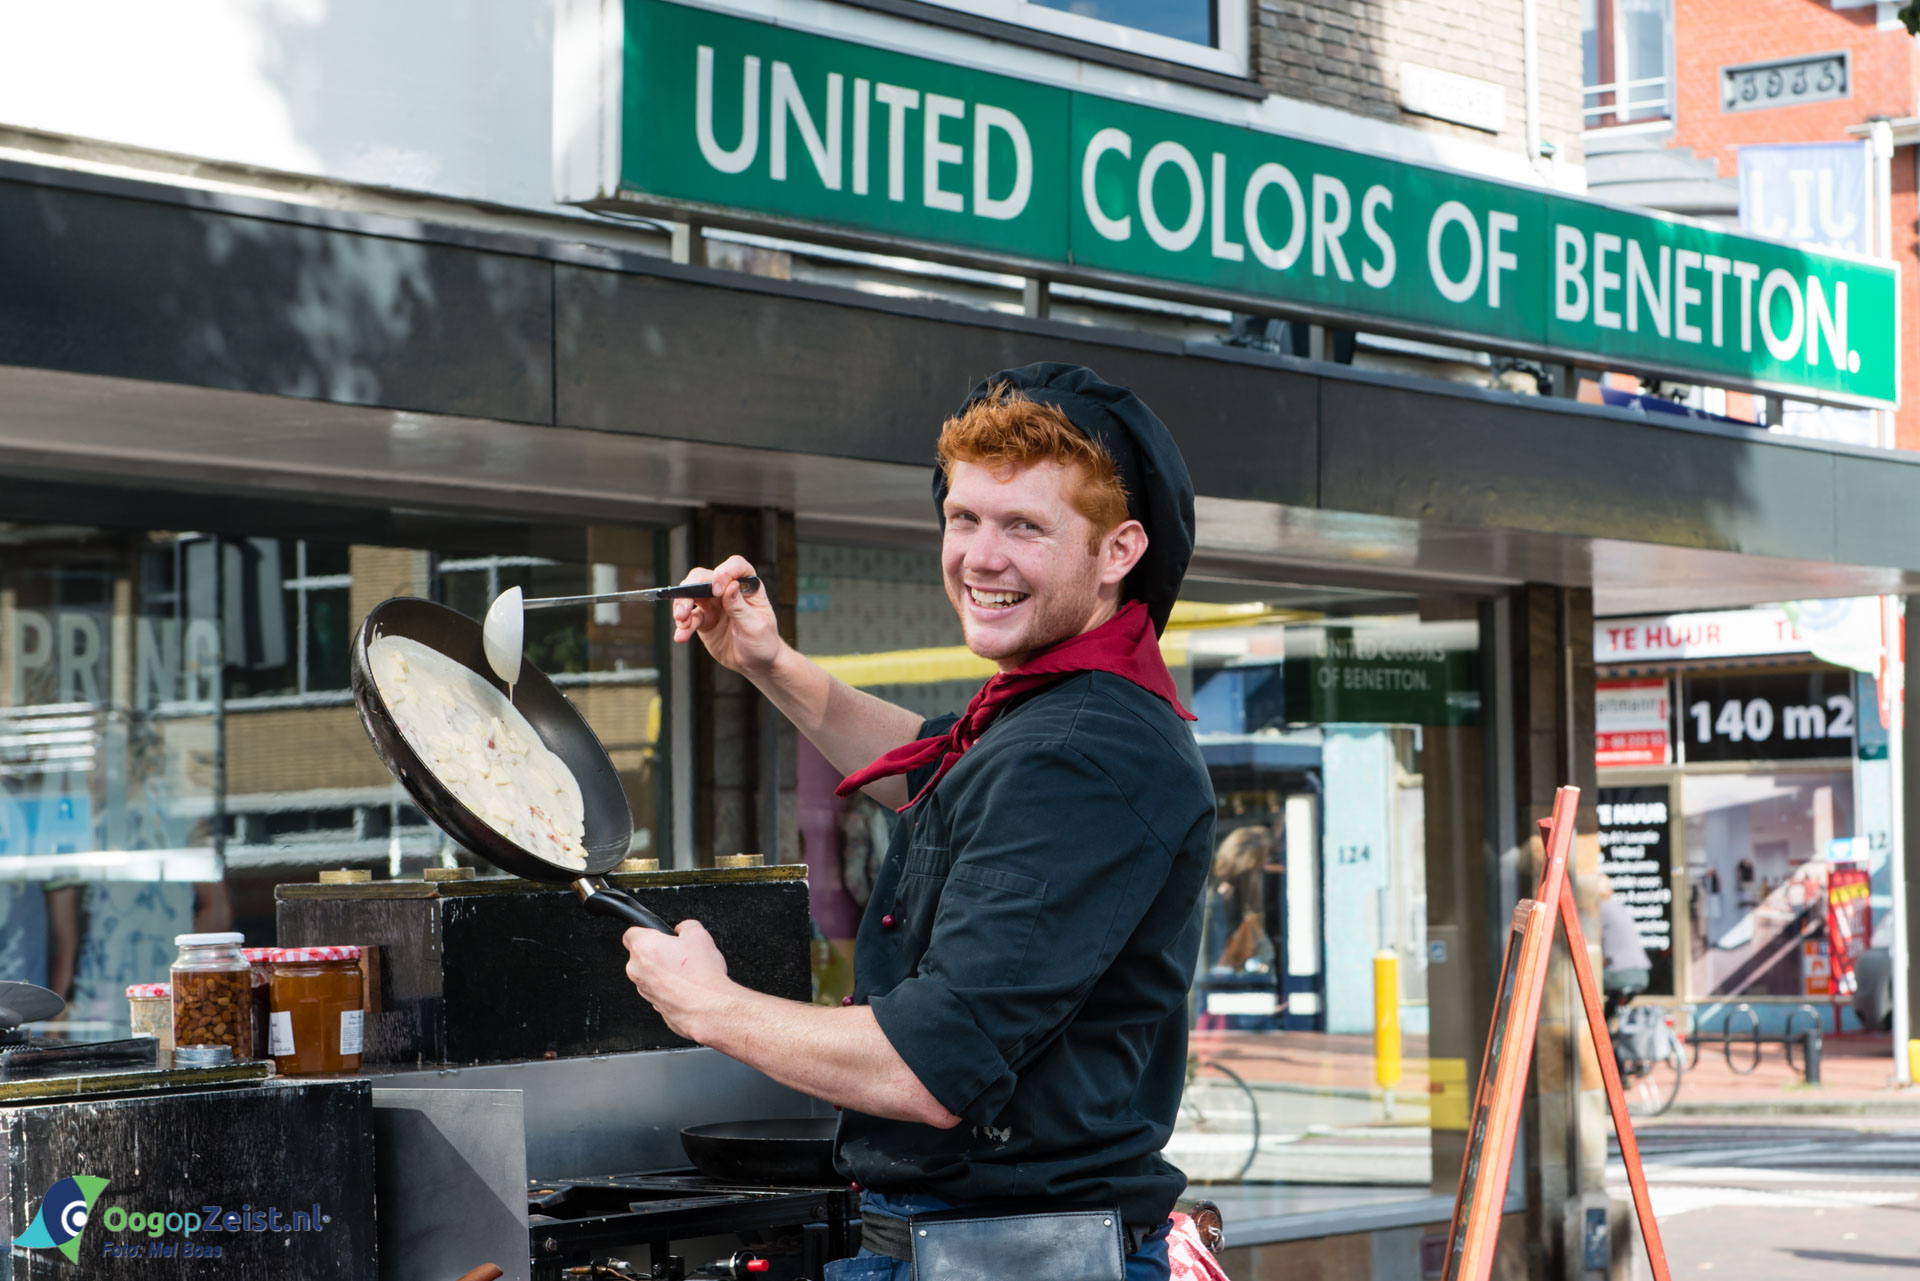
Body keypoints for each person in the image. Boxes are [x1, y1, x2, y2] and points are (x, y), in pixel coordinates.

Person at [622, 364, 1217, 1281]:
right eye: (964, 517)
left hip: (1008, 1262)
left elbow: (930, 1068)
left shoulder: (1083, 753)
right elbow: (935, 766)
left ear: (1118, 550)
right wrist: (767, 660)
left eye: (1024, 526)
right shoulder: (1056, 713)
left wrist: (708, 1006)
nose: (981, 556)